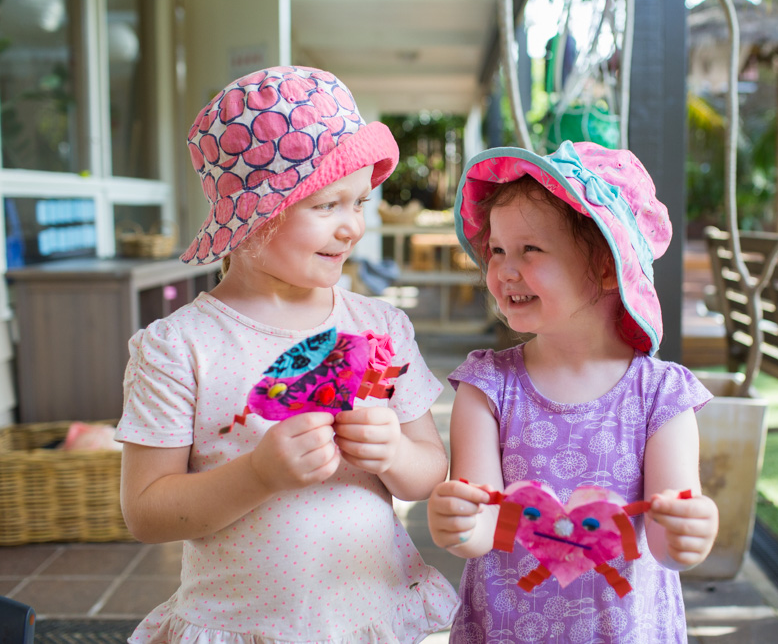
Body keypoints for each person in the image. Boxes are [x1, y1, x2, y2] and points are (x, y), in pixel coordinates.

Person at [115, 66, 458, 643]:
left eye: (359, 202)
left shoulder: (378, 328)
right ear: (252, 217)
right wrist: (258, 474)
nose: (353, 228)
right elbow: (147, 512)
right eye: (327, 206)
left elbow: (428, 472)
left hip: (371, 615)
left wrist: (394, 452)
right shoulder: (179, 347)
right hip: (242, 626)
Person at [427, 141, 720, 642]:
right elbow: (483, 526)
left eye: (530, 250)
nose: (505, 270)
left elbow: (666, 543)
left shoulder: (661, 396)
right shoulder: (487, 388)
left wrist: (692, 530)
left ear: (606, 266)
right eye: (497, 250)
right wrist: (457, 525)